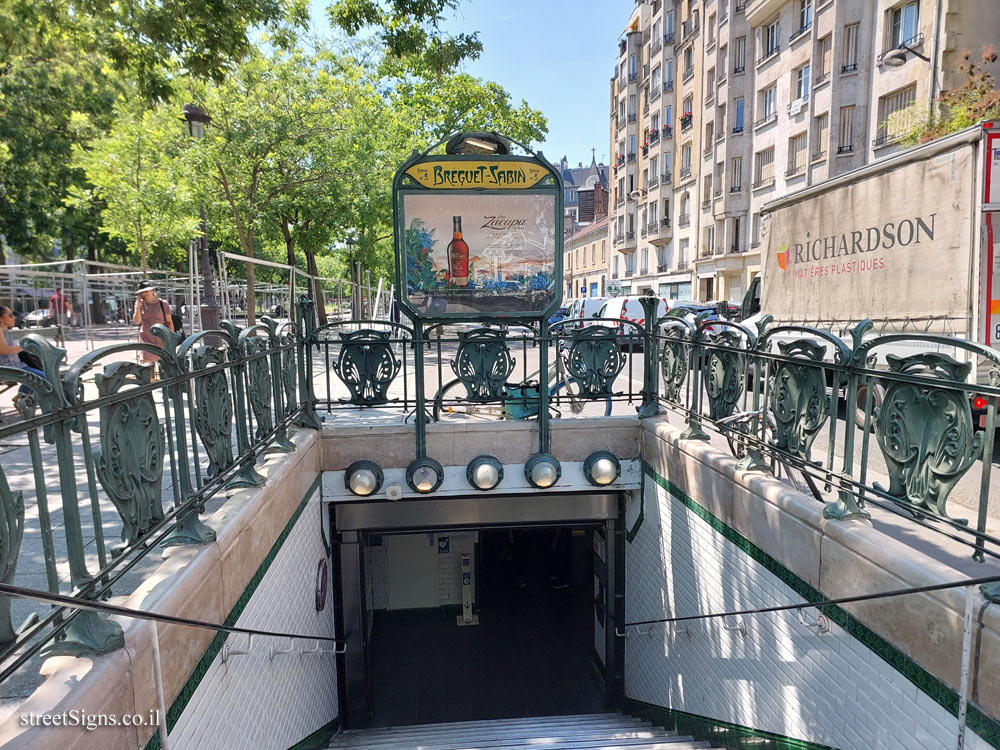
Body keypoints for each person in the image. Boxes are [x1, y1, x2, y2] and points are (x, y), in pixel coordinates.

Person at [0, 306, 46, 397]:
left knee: (41, 376)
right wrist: (24, 346)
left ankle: (22, 397)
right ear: (1, 319)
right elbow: (3, 350)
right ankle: (22, 397)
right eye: (10, 315)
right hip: (7, 368)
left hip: (17, 366)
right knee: (41, 377)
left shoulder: (5, 331)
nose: (14, 317)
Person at [132, 282, 174, 363]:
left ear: (152, 290)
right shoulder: (140, 305)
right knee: (147, 364)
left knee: (162, 363)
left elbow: (169, 321)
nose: (144, 293)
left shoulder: (163, 303)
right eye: (142, 292)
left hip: (161, 336)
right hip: (146, 338)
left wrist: (171, 338)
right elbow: (137, 321)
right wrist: (137, 306)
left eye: (146, 291)